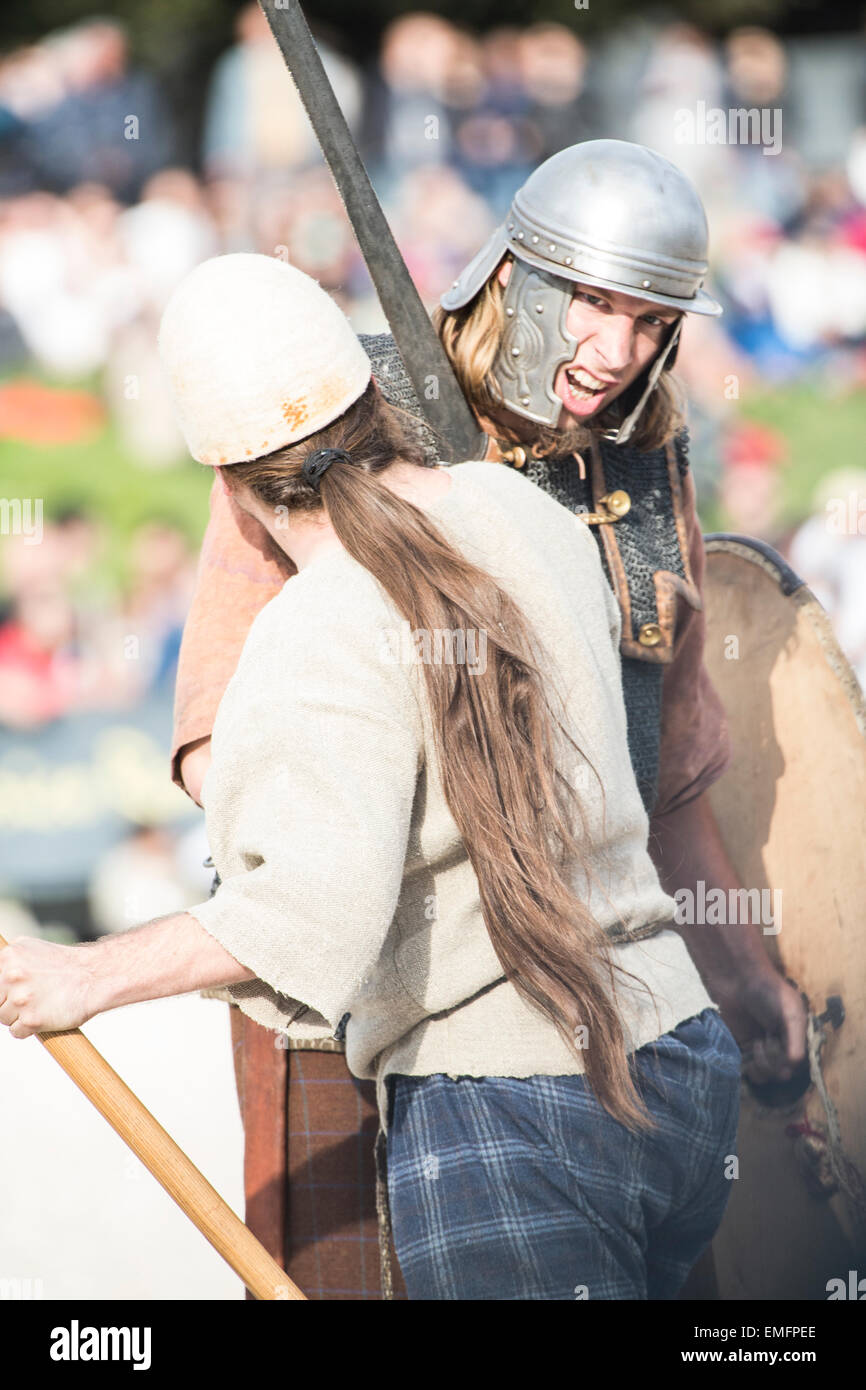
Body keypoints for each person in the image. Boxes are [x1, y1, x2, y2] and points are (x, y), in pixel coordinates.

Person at [0, 253, 742, 1300]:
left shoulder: (313, 629)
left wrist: (84, 974)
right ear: (370, 399)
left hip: (506, 1113)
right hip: (676, 1059)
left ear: (229, 486)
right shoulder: (523, 512)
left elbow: (307, 918)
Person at [171, 140, 808, 1298]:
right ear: (511, 276)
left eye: (650, 321)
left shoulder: (646, 460)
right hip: (363, 1006)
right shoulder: (322, 412)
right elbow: (219, 744)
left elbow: (660, 778)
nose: (614, 353)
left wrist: (744, 974)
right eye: (591, 306)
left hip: (605, 1027)